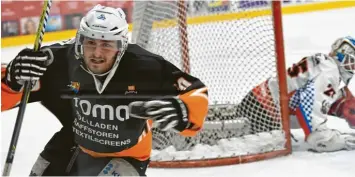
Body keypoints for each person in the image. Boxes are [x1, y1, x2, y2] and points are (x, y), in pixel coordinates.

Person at [1, 4, 208, 176]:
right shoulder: (59, 61)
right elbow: (5, 97)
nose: (97, 53)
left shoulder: (145, 67)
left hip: (126, 156)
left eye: (106, 44)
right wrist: (11, 80)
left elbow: (195, 90)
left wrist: (184, 110)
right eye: (90, 42)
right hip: (72, 144)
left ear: (121, 46)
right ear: (79, 41)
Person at [235, 36, 355, 152]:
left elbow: (312, 95)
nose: (353, 67)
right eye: (352, 61)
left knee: (343, 100)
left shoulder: (325, 63)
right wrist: (325, 139)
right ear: (340, 55)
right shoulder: (330, 72)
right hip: (264, 115)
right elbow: (309, 105)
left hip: (257, 103)